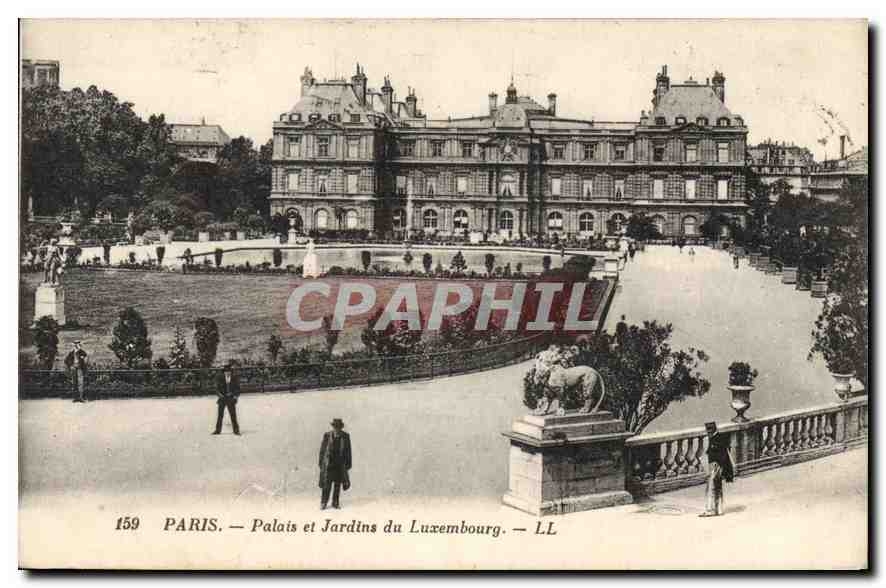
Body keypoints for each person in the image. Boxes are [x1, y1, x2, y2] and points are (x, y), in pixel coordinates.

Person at [699, 422, 736, 517]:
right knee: (718, 487)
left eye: (708, 431)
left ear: (710, 431)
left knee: (711, 487)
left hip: (715, 466)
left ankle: (710, 510)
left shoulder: (715, 439)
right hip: (720, 466)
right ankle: (719, 509)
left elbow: (715, 454)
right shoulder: (720, 437)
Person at [318, 418, 352, 510]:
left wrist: (348, 464)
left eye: (339, 428)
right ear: (333, 427)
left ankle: (335, 502)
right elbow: (322, 450)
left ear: (341, 428)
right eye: (335, 427)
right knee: (326, 484)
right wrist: (321, 463)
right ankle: (324, 502)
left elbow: (348, 451)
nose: (337, 429)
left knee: (337, 485)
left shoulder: (345, 436)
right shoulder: (327, 436)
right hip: (329, 464)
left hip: (339, 464)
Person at [213, 361, 241, 435]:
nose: (228, 373)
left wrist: (235, 397)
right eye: (226, 372)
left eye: (229, 372)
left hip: (231, 398)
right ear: (224, 372)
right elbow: (216, 388)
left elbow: (238, 388)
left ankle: (236, 430)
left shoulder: (234, 377)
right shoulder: (219, 377)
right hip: (222, 398)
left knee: (233, 415)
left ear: (231, 372)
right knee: (220, 415)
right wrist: (219, 395)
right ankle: (217, 430)